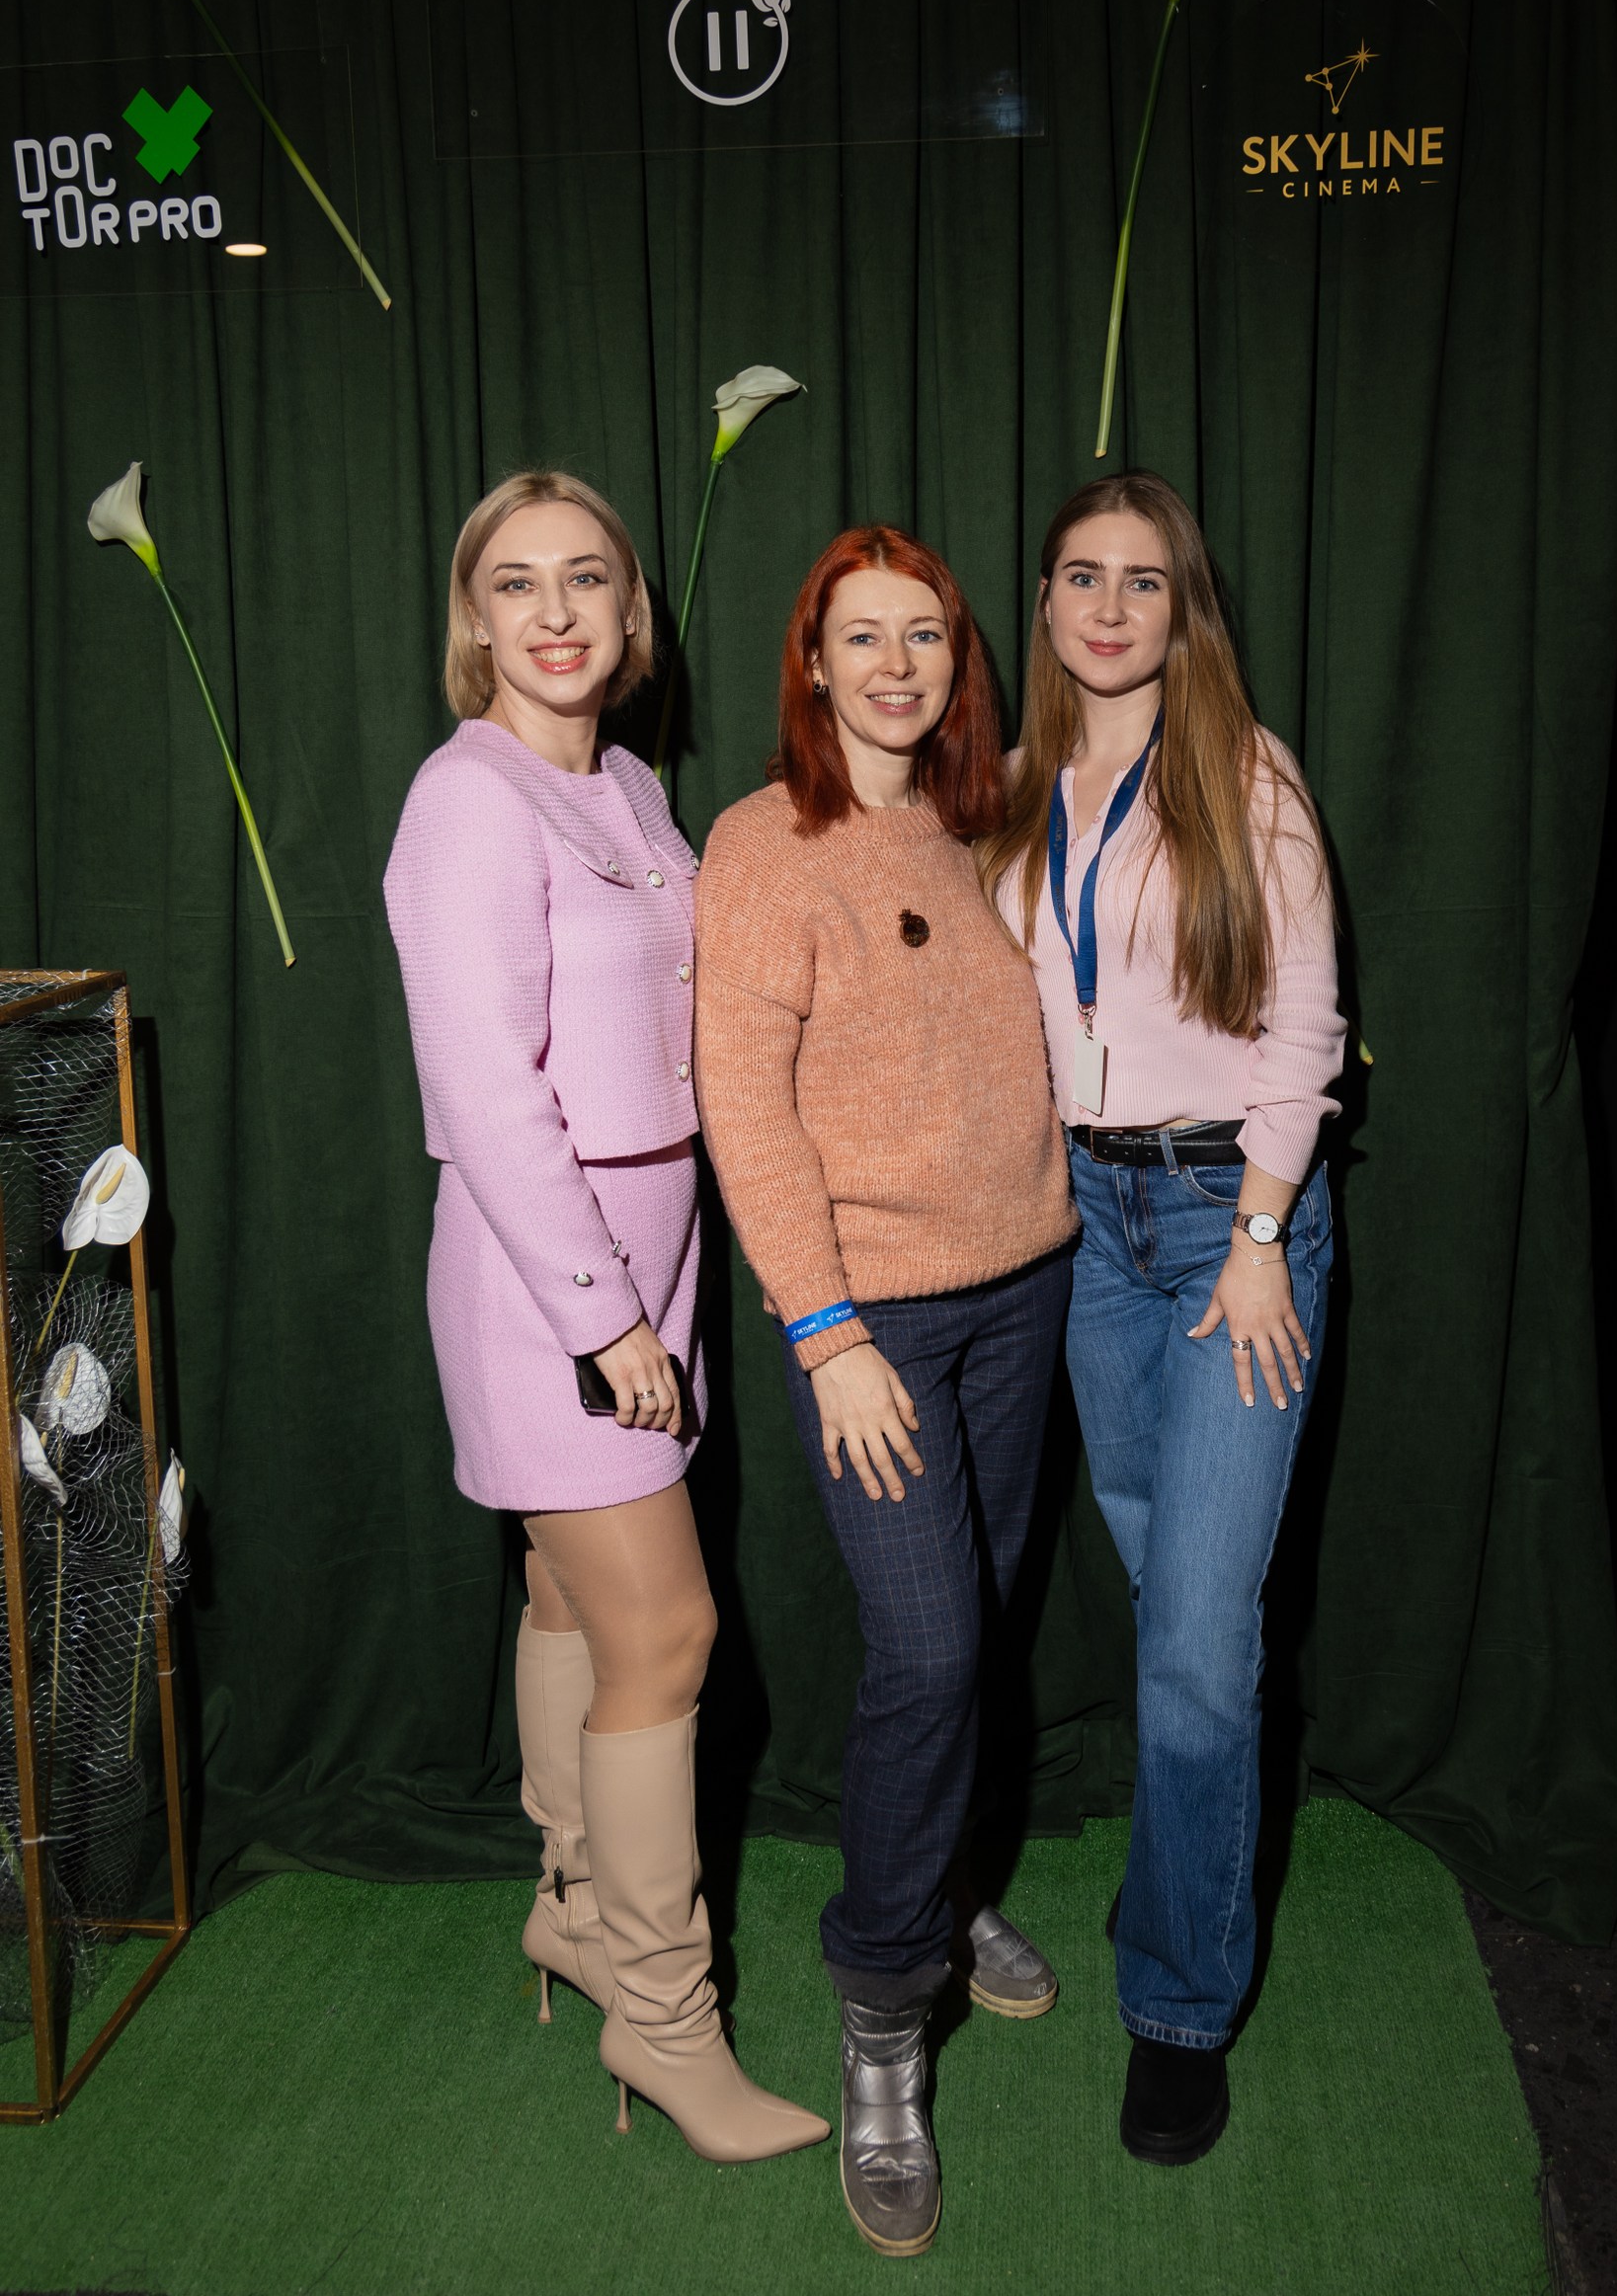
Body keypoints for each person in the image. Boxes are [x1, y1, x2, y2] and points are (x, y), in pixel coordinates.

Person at [383, 469, 827, 2167]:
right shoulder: (466, 800)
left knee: (570, 1587)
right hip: (550, 1271)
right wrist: (601, 1315)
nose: (555, 612)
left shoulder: (627, 783)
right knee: (671, 1636)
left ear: (634, 614)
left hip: (657, 1243)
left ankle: (571, 1900)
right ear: (473, 619)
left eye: (587, 578)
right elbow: (488, 1092)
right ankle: (665, 2018)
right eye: (516, 583)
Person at [692, 525, 1079, 2257]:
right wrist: (829, 1333)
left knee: (979, 1632)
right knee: (925, 1651)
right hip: (879, 1326)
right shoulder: (762, 845)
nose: (898, 665)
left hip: (1028, 1288)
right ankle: (881, 2010)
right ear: (813, 661)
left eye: (925, 635)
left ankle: (945, 1884)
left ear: (956, 661)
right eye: (864, 636)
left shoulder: (983, 827)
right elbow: (747, 1110)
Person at [978, 469, 1344, 2166]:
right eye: (1081, 576)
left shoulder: (1246, 775)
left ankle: (1180, 2002)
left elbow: (1305, 1029)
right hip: (1083, 1228)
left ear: (1183, 606)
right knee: (1168, 1597)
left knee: (1198, 1634)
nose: (1110, 607)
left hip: (1225, 1224)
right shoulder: (1010, 792)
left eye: (1143, 579)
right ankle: (1189, 1877)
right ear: (1047, 601)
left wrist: (1262, 1236)